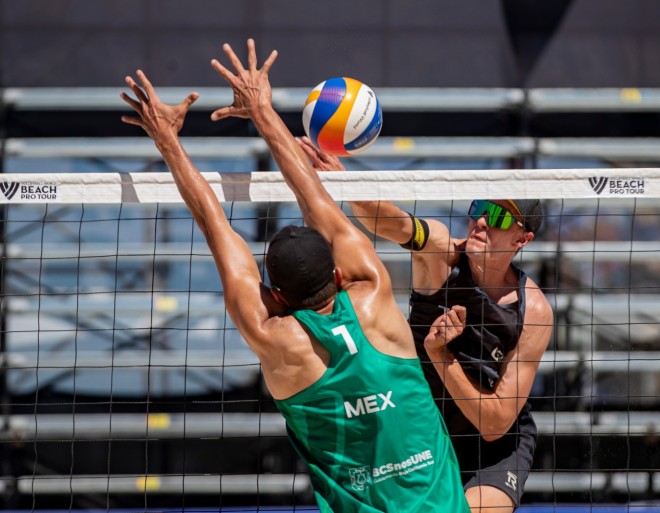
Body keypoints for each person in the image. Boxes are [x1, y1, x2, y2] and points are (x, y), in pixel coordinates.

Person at [120, 39, 470, 513]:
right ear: (339, 274)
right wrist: (262, 110)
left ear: (277, 296)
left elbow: (214, 225)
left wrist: (168, 141)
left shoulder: (277, 341)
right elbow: (315, 199)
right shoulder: (373, 295)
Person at [298, 137, 554, 513]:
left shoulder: (534, 310)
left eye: (499, 217)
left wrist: (440, 356)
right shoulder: (440, 254)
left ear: (522, 239)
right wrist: (348, 185)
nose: (482, 222)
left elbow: (495, 424)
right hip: (422, 433)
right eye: (480, 209)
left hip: (492, 449)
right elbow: (391, 220)